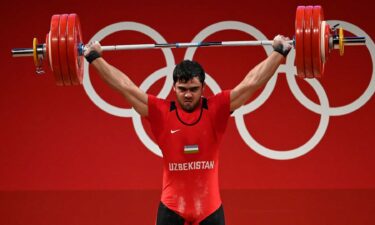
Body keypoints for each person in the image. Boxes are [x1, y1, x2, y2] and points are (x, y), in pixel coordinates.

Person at [84, 35, 292, 225]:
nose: (188, 95)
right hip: (171, 210)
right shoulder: (160, 112)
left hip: (210, 211)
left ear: (203, 88)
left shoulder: (216, 109)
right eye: (182, 89)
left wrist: (279, 52)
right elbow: (124, 87)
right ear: (173, 88)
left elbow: (251, 84)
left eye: (193, 89)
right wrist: (95, 57)